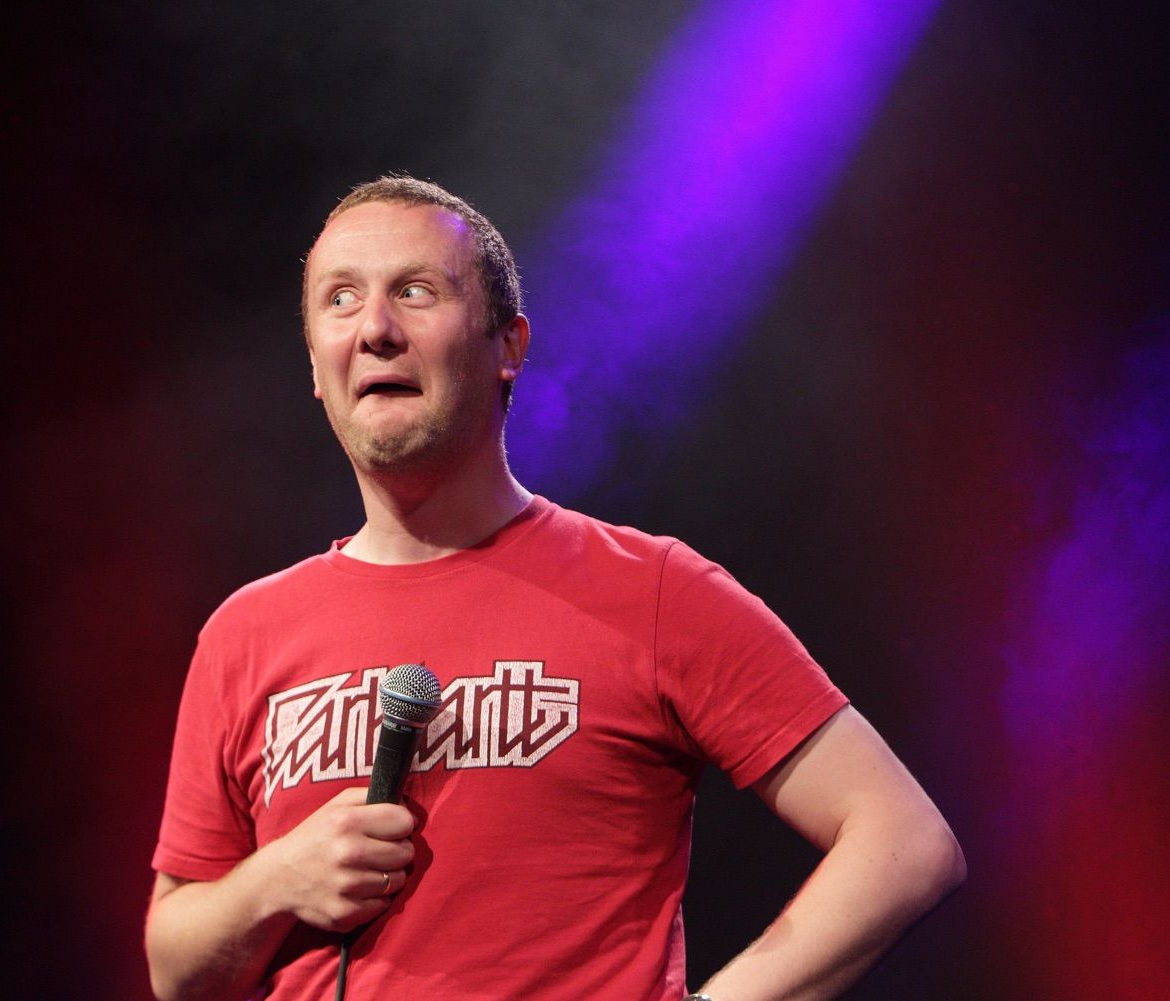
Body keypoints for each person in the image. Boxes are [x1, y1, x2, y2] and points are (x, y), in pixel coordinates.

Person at [144, 176, 965, 1001]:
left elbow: (902, 839)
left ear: (508, 345)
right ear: (316, 369)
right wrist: (276, 878)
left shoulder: (652, 590)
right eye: (341, 299)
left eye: (416, 292)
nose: (376, 330)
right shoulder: (244, 633)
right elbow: (173, 965)